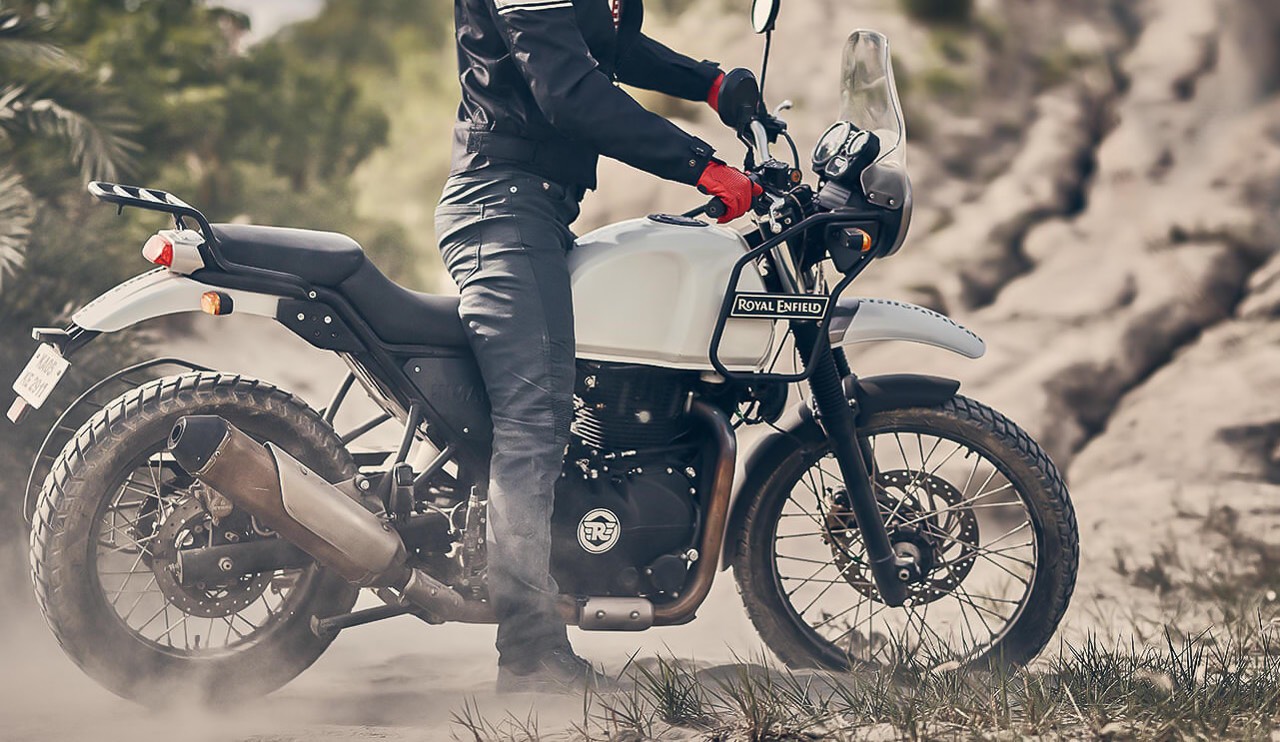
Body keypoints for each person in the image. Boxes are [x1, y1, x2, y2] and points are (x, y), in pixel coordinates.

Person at [436, 0, 761, 693]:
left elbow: (609, 44)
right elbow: (568, 87)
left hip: (536, 209)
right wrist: (700, 166)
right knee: (535, 423)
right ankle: (528, 651)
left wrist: (710, 81)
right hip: (503, 207)